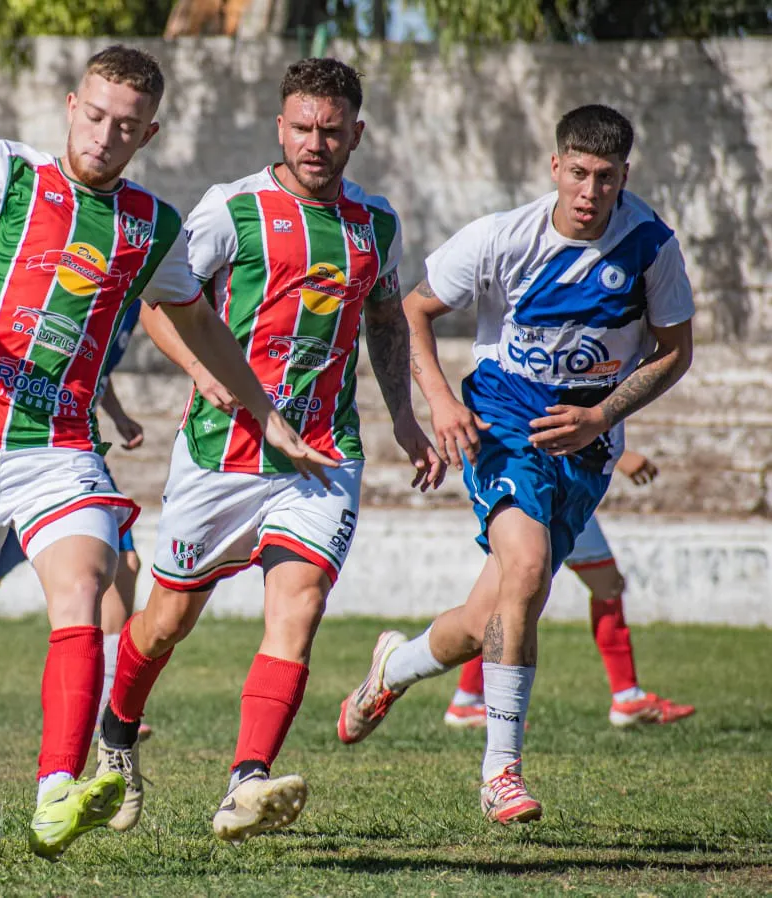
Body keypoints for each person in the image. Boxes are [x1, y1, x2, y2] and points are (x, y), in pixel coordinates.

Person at [0, 45, 339, 862]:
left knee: (83, 589)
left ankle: (56, 790)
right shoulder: (9, 173)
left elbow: (196, 322)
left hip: (58, 451)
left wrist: (263, 410)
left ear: (147, 133)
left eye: (125, 126)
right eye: (94, 115)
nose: (104, 136)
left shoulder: (150, 224)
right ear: (70, 105)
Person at [93, 57, 445, 846]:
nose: (315, 143)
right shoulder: (231, 211)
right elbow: (160, 305)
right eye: (301, 128)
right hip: (221, 453)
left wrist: (404, 418)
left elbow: (384, 323)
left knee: (299, 609)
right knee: (164, 622)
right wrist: (200, 375)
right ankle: (116, 738)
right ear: (278, 127)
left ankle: (245, 781)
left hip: (321, 454)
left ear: (355, 132)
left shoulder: (376, 224)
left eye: (330, 130)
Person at [337, 104, 694, 826]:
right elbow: (411, 310)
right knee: (526, 569)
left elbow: (673, 351)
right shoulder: (502, 237)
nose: (589, 191)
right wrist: (438, 402)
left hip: (586, 448)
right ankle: (500, 772)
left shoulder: (650, 245)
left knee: (486, 616)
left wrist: (602, 417)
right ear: (554, 166)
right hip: (502, 422)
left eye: (604, 177)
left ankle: (393, 668)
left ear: (624, 175)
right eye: (577, 173)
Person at [0, 304, 154, 747]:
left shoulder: (135, 294)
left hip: (73, 457)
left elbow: (95, 367)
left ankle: (107, 707)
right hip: (25, 451)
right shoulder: (91, 281)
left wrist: (115, 415)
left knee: (125, 565)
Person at [444, 449, 695, 729]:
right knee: (513, 598)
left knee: (605, 585)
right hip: (551, 486)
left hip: (564, 486)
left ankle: (627, 696)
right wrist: (620, 457)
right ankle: (467, 699)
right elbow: (551, 411)